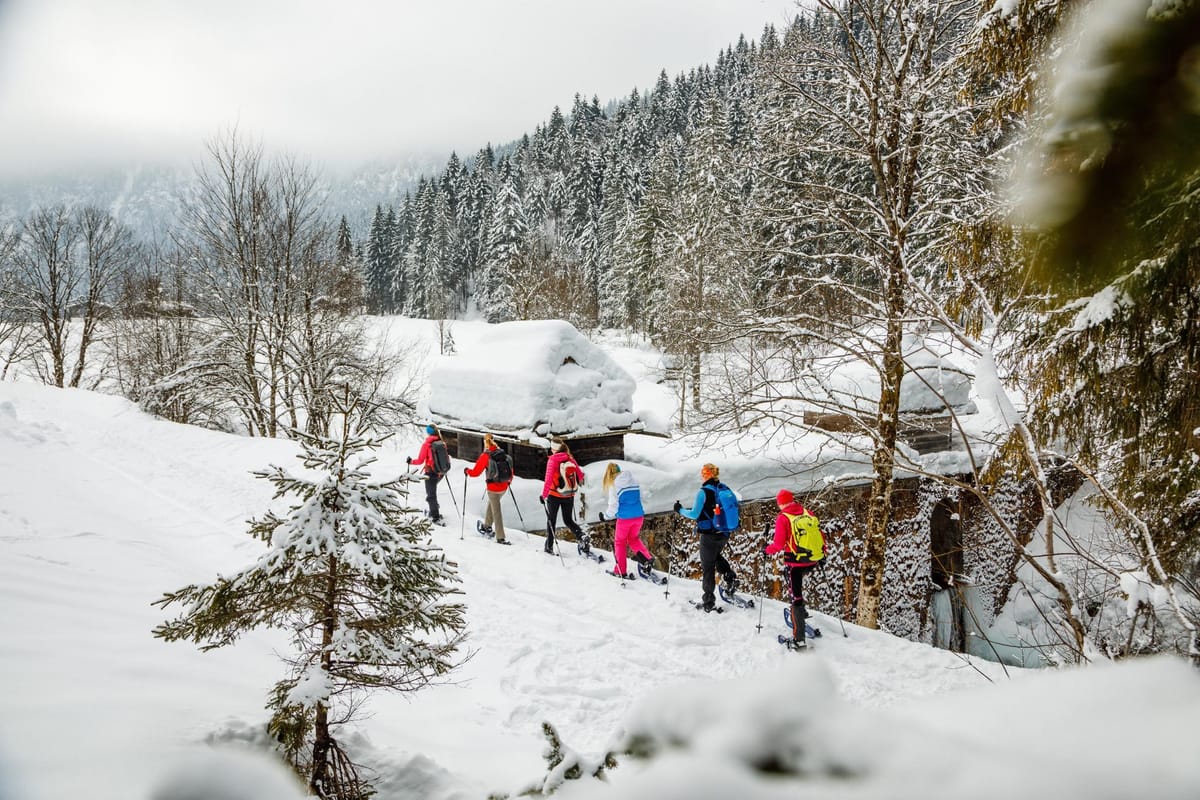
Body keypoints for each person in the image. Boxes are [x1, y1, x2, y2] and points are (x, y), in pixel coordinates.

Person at [763, 489, 826, 649]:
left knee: (795, 597)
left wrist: (766, 550)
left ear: (780, 503)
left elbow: (778, 545)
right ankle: (802, 613)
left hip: (795, 563)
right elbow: (820, 535)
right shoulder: (807, 512)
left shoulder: (783, 518)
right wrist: (822, 554)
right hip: (813, 559)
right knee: (791, 580)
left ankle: (799, 640)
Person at [674, 463, 737, 612]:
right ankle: (730, 577)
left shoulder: (703, 492)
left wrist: (680, 510)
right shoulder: (723, 488)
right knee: (714, 557)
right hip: (724, 532)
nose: (702, 475)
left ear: (708, 474)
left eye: (704, 473)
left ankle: (708, 602)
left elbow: (694, 514)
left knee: (708, 566)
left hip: (709, 534)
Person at [599, 462, 653, 579]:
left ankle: (620, 570)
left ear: (610, 474)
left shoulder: (614, 485)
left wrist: (605, 516)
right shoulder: (634, 480)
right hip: (639, 516)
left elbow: (613, 506)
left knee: (620, 542)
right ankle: (647, 560)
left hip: (625, 519)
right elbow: (642, 497)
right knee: (633, 539)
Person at [540, 438, 588, 556]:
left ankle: (549, 547)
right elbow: (581, 475)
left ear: (554, 449)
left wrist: (543, 495)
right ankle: (582, 536)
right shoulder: (569, 458)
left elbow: (548, 479)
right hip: (568, 494)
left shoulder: (552, 460)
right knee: (568, 520)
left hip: (554, 495)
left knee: (551, 520)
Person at [464, 433, 513, 546]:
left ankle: (500, 537)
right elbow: (511, 471)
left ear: (485, 443)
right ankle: (486, 526)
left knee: (497, 511)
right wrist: (508, 482)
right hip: (504, 486)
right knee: (492, 503)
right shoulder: (504, 455)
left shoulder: (486, 456)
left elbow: (475, 472)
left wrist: (467, 471)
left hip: (493, 488)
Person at [407, 424, 446, 524]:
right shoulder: (442, 442)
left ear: (428, 433)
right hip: (440, 472)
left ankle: (435, 516)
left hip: (430, 473)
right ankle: (434, 509)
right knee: (432, 492)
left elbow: (420, 460)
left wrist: (411, 461)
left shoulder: (427, 445)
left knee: (431, 495)